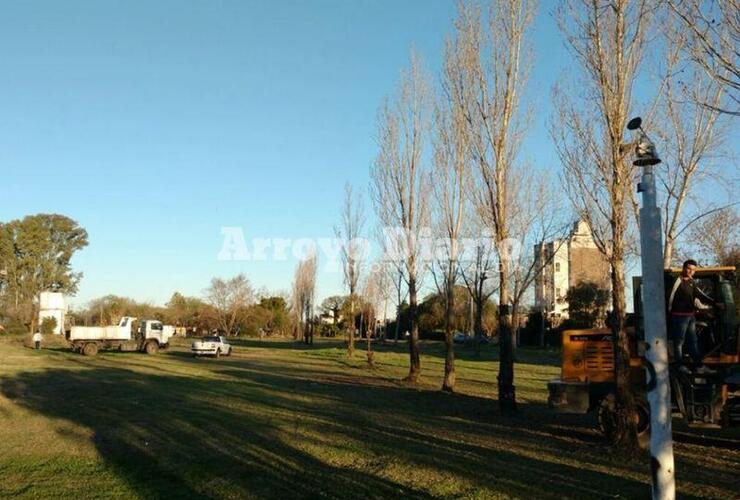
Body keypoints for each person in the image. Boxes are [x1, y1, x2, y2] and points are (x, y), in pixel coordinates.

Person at [668, 259, 715, 374]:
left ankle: (699, 366)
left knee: (693, 341)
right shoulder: (677, 281)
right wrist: (669, 313)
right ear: (684, 268)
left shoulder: (692, 282)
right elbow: (670, 297)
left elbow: (699, 295)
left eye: (693, 270)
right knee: (679, 342)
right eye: (689, 269)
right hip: (679, 317)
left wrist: (714, 303)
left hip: (690, 317)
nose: (691, 271)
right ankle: (680, 366)